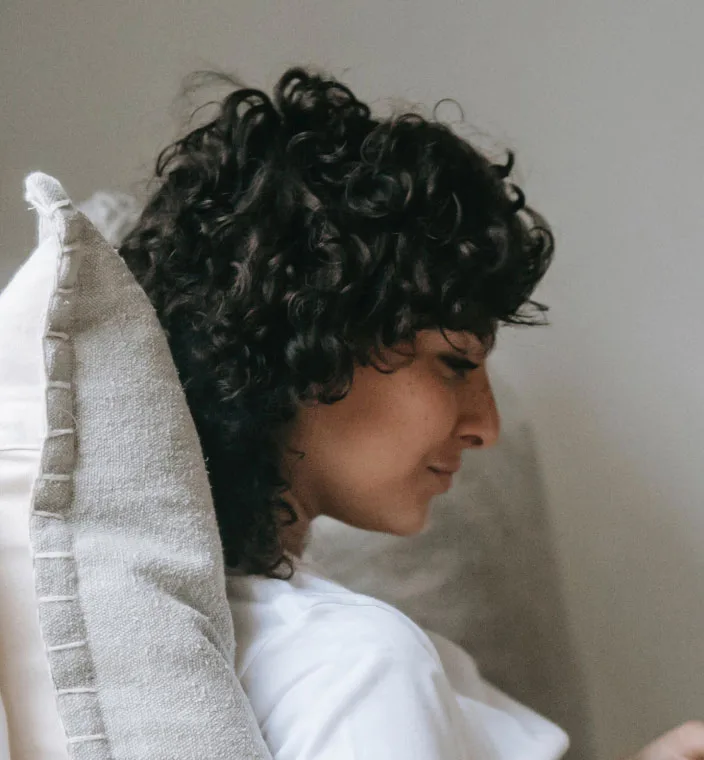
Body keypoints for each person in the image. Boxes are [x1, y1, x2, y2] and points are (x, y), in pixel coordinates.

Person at [118, 66, 704, 760]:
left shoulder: (273, 634)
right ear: (310, 343)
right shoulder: (362, 666)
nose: (485, 425)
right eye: (455, 365)